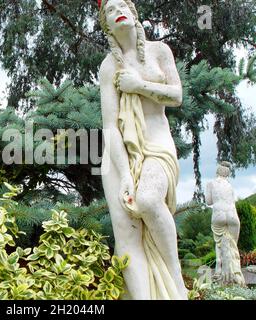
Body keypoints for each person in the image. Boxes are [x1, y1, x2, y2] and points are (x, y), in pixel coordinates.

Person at [98, 0, 187, 299]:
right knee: (126, 234)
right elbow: (110, 126)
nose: (118, 9)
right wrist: (124, 174)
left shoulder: (159, 51)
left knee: (147, 199)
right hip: (119, 153)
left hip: (157, 145)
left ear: (134, 14)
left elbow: (176, 96)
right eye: (110, 9)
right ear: (107, 26)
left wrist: (137, 85)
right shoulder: (108, 67)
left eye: (123, 5)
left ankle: (176, 283)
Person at [205, 162, 246, 286]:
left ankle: (218, 270)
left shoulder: (210, 183)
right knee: (233, 245)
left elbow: (208, 201)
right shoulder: (229, 185)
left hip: (218, 214)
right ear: (227, 174)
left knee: (219, 243)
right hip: (232, 215)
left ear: (217, 172)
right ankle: (236, 275)